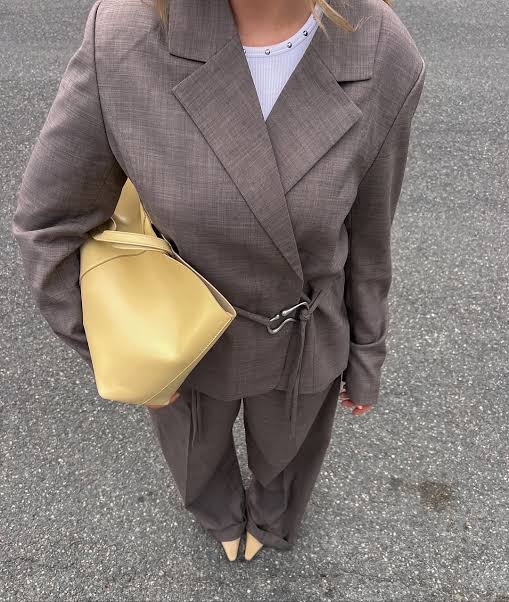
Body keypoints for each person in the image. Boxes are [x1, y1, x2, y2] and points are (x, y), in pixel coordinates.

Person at [11, 0, 426, 561]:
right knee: (195, 449)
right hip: (184, 331)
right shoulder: (125, 36)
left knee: (289, 454)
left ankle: (275, 519)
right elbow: (50, 224)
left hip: (304, 328)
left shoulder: (380, 48)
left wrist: (366, 352)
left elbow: (371, 229)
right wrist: (117, 350)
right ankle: (219, 514)